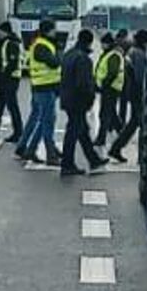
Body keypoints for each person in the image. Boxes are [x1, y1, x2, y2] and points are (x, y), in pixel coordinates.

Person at [58, 27, 107, 178]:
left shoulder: (68, 55)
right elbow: (83, 83)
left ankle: (94, 160)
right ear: (90, 42)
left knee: (82, 130)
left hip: (67, 98)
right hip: (77, 101)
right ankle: (67, 165)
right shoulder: (83, 59)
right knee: (73, 132)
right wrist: (91, 97)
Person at [15, 17, 63, 165]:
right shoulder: (42, 46)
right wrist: (59, 51)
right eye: (54, 29)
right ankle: (50, 154)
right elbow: (54, 63)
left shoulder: (40, 43)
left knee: (40, 120)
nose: (56, 32)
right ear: (49, 30)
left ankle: (28, 149)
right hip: (45, 88)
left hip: (42, 87)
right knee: (47, 121)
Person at [109, 29, 147, 164]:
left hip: (132, 91)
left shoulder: (132, 52)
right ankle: (141, 155)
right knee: (142, 123)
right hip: (138, 93)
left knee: (135, 123)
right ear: (145, 41)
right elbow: (140, 76)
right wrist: (145, 91)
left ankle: (117, 148)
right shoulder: (139, 54)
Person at [0, 19, 24, 141]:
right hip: (6, 80)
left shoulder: (11, 44)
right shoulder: (5, 42)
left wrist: (3, 75)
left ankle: (18, 133)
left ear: (4, 32)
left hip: (10, 79)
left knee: (12, 107)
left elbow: (12, 62)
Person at [93, 31, 126, 148]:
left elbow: (112, 73)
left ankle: (101, 139)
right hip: (109, 89)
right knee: (111, 114)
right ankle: (122, 133)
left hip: (110, 89)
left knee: (104, 114)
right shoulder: (110, 54)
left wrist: (103, 85)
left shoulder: (113, 55)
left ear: (108, 43)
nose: (101, 45)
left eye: (103, 43)